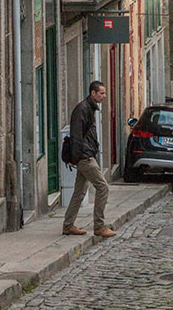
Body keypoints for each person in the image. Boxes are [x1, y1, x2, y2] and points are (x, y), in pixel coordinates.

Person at [62, 81, 116, 239]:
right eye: (102, 93)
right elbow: (76, 136)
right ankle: (99, 226)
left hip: (86, 154)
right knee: (103, 187)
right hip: (85, 157)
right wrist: (76, 157)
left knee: (79, 192)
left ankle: (68, 225)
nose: (104, 96)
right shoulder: (82, 109)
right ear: (93, 93)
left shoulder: (89, 108)